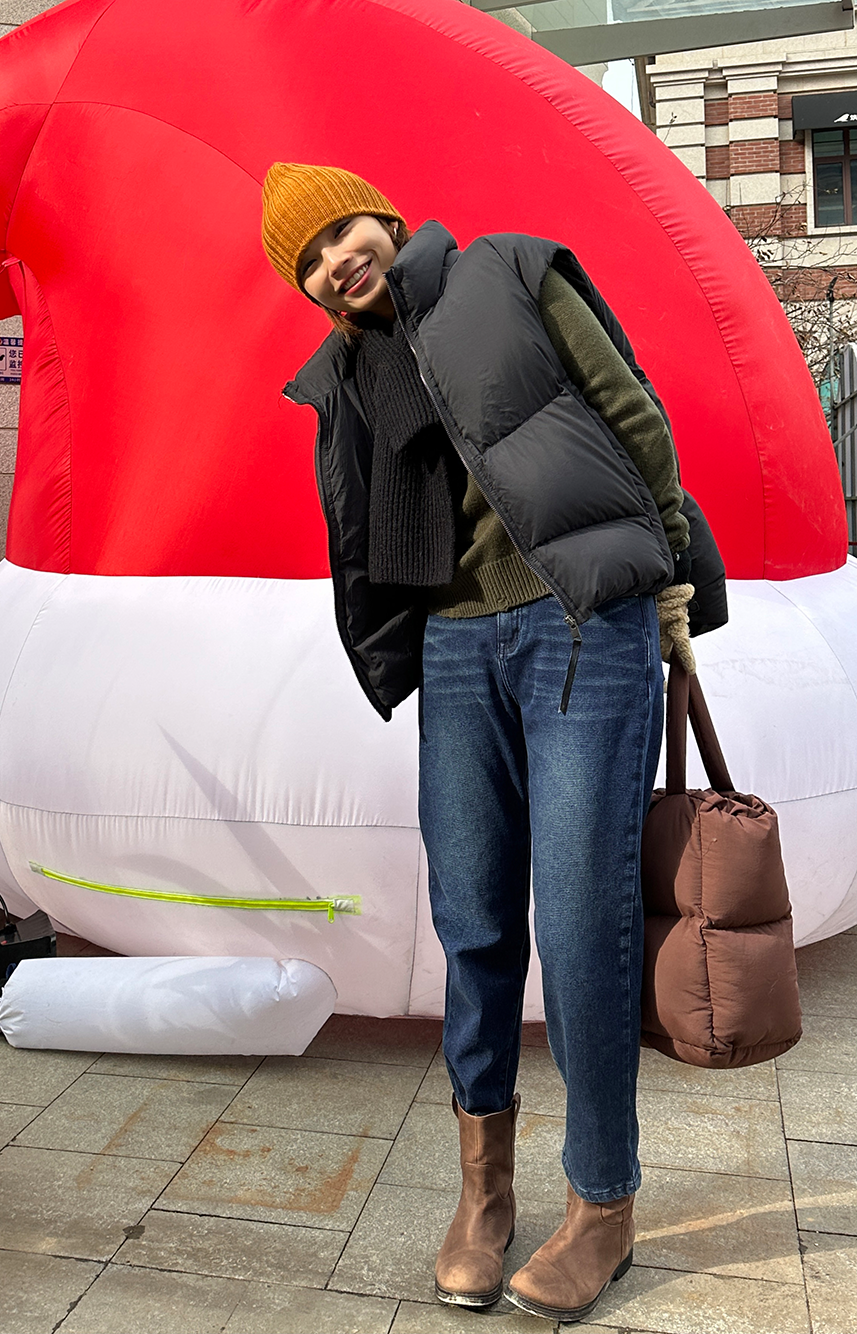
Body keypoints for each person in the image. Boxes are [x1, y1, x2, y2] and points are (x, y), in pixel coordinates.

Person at [261, 162, 710, 1323]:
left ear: (382, 216)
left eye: (339, 232)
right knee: (471, 918)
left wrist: (665, 574)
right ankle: (484, 1192)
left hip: (579, 620)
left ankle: (601, 1202)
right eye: (307, 261)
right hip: (456, 647)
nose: (333, 262)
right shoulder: (347, 374)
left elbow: (629, 410)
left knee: (582, 919)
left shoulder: (507, 270)